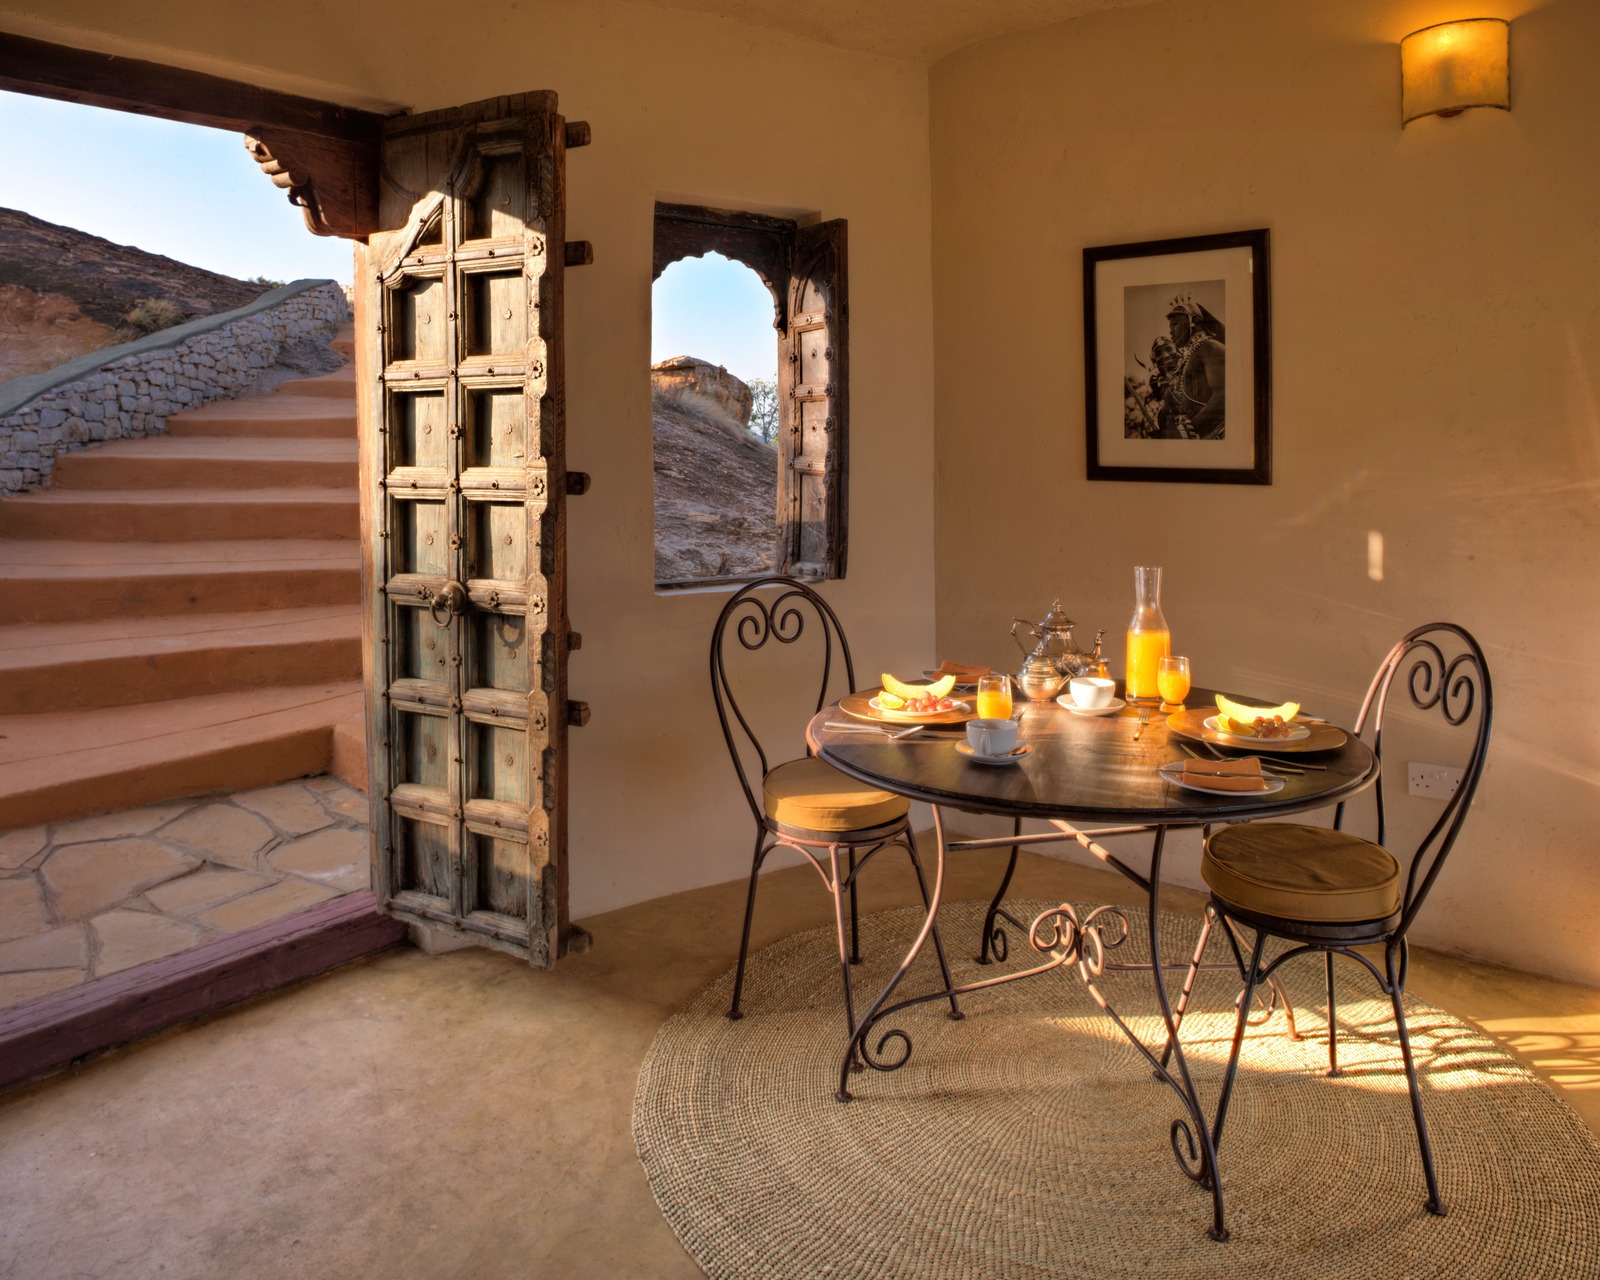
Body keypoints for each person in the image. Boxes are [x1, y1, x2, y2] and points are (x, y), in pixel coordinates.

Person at [1162, 295, 1225, 439]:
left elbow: (1224, 394)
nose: (1170, 330)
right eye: (1170, 326)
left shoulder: (1210, 347)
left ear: (1193, 322)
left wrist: (1193, 426)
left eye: (1175, 324)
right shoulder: (1188, 358)